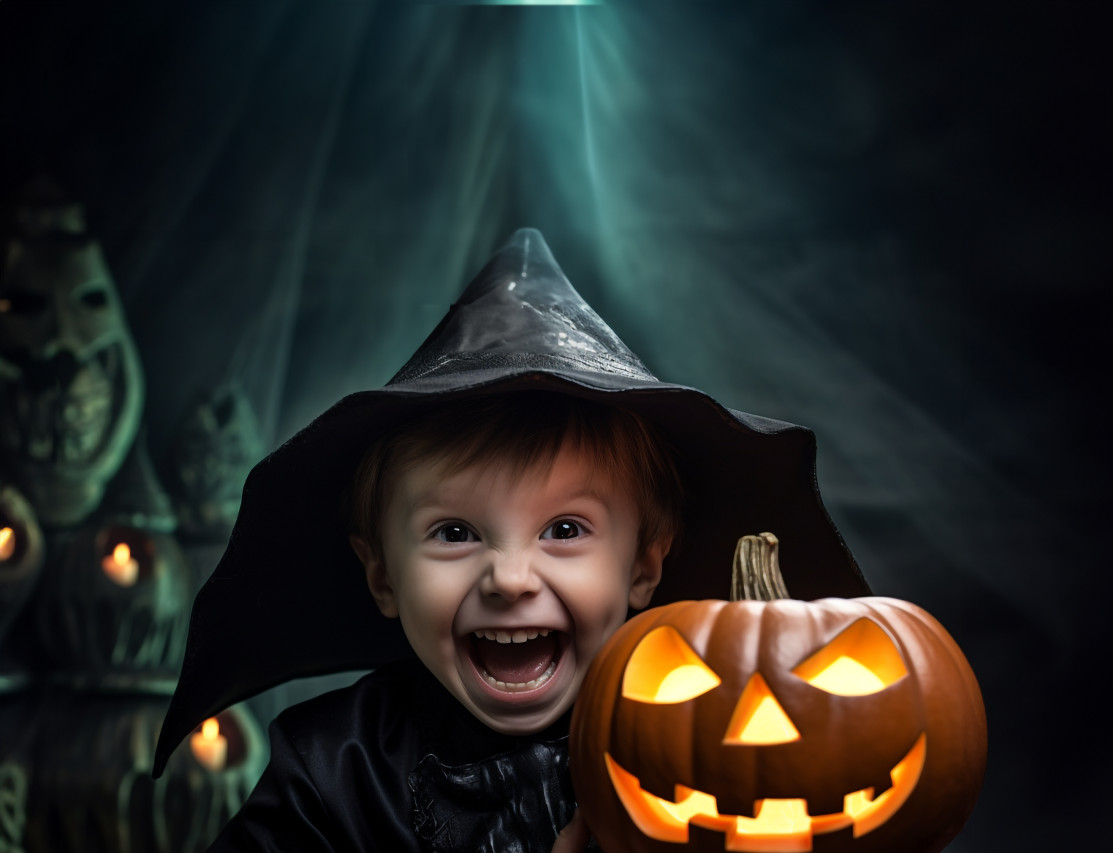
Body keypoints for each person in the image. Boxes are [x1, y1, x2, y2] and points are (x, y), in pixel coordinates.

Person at [154, 228, 870, 851]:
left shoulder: (716, 756)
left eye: (564, 529)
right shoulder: (331, 767)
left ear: (644, 565)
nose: (510, 577)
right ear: (381, 576)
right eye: (455, 532)